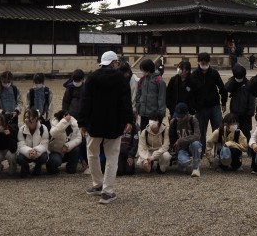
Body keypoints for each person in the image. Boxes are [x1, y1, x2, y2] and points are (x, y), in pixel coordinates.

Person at [78, 50, 135, 204]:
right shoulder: (120, 78)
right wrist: (129, 120)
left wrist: (82, 122)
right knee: (112, 157)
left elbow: (85, 101)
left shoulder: (91, 78)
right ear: (113, 63)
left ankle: (97, 184)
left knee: (92, 154)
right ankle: (107, 191)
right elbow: (126, 102)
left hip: (94, 123)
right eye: (116, 62)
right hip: (114, 124)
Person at [190, 52, 227, 153]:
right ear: (198, 62)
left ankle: (218, 151)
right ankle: (201, 151)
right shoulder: (194, 75)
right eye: (202, 63)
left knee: (219, 128)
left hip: (214, 105)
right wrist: (193, 107)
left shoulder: (214, 73)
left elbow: (222, 88)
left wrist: (223, 102)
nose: (204, 65)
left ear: (209, 62)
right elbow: (191, 93)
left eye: (206, 63)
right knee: (201, 130)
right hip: (201, 108)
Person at [168, 102, 202, 177]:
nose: (179, 118)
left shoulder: (193, 120)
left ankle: (196, 168)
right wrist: (171, 149)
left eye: (181, 116)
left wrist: (180, 140)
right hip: (182, 149)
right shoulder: (174, 122)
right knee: (183, 162)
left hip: (192, 146)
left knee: (196, 143)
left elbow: (197, 136)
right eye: (177, 116)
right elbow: (171, 138)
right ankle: (186, 163)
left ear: (187, 114)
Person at [0, 71, 23, 138]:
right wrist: (3, 112)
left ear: (11, 80)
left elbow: (20, 102)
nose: (6, 83)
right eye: (4, 82)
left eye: (8, 81)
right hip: (1, 119)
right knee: (1, 136)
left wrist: (16, 111)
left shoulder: (15, 90)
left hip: (13, 118)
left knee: (13, 135)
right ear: (1, 80)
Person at [47, 109, 82, 175]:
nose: (69, 117)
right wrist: (64, 122)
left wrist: (67, 146)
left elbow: (79, 138)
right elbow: (53, 133)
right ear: (63, 117)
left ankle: (70, 168)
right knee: (54, 163)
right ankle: (51, 167)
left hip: (66, 150)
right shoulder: (54, 123)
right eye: (67, 115)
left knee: (76, 150)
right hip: (56, 151)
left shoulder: (73, 122)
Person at [16, 108, 49, 177]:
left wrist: (36, 151)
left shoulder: (43, 128)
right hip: (26, 153)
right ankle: (26, 167)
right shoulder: (22, 129)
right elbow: (21, 144)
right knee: (20, 158)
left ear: (35, 118)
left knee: (44, 157)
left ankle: (37, 166)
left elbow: (44, 144)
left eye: (28, 117)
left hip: (38, 153)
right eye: (25, 117)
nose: (26, 119)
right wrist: (29, 151)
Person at [224, 64, 255, 139]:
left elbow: (252, 99)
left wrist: (250, 112)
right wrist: (233, 79)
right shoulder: (232, 81)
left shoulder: (248, 84)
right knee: (234, 131)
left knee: (246, 132)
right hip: (234, 112)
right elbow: (227, 88)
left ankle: (247, 145)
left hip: (246, 113)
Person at [136, 59, 167, 130]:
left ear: (148, 69)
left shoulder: (159, 81)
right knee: (144, 133)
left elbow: (161, 98)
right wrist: (138, 107)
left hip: (154, 115)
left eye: (143, 69)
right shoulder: (142, 80)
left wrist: (161, 113)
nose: (142, 71)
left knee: (154, 134)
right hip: (143, 114)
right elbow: (138, 95)